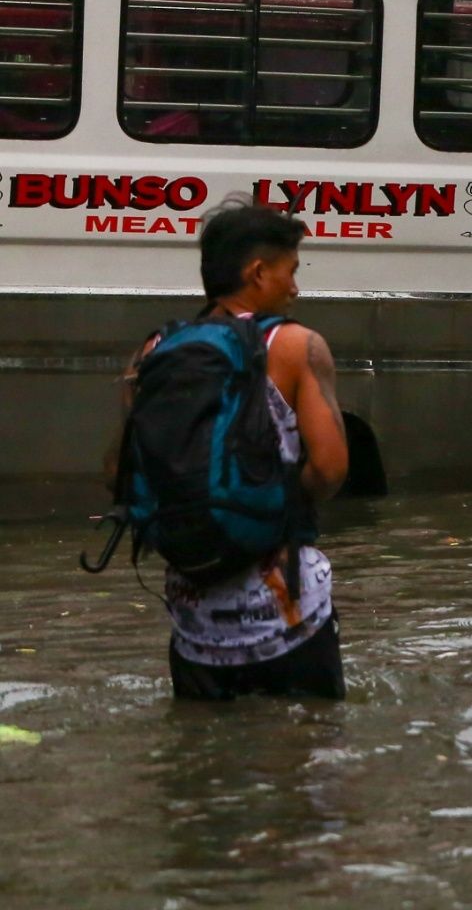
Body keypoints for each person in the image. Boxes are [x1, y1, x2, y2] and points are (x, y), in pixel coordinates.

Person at [124, 202, 349, 701]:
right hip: (288, 619)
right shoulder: (297, 345)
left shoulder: (154, 351)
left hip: (195, 628)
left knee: (201, 769)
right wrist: (276, 501)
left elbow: (120, 469)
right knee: (304, 759)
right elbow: (331, 469)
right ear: (258, 272)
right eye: (291, 271)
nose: (295, 287)